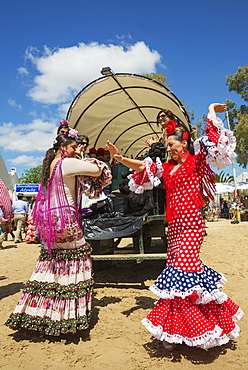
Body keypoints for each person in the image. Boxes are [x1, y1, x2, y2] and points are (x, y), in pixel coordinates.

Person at [106, 103, 243, 350]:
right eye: (167, 145)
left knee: (184, 272)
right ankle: (180, 329)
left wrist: (211, 110)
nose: (168, 148)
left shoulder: (196, 162)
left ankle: (199, 327)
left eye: (171, 145)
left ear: (184, 144)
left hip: (192, 227)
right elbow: (145, 167)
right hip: (175, 229)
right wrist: (120, 158)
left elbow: (213, 138)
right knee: (179, 276)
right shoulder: (167, 169)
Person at [5, 131, 112, 336]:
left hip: (49, 222)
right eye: (73, 147)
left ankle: (38, 312)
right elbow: (98, 170)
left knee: (52, 264)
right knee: (77, 261)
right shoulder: (66, 163)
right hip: (65, 219)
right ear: (64, 148)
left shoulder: (50, 167)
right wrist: (82, 156)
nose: (75, 150)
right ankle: (67, 316)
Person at [0, 180, 13, 248]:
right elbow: (7, 207)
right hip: (1, 218)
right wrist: (8, 217)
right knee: (3, 231)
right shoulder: (4, 197)